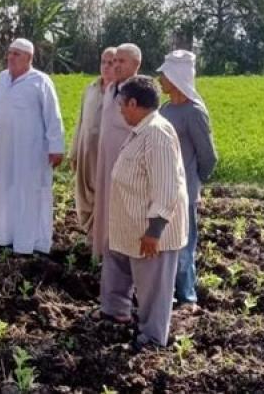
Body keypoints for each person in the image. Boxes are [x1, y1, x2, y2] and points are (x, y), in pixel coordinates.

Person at [105, 75, 189, 351]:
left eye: (121, 104)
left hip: (151, 233)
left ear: (133, 102)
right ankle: (119, 316)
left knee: (153, 291)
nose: (119, 109)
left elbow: (167, 187)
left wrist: (154, 231)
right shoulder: (142, 129)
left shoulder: (157, 133)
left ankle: (152, 340)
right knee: (126, 274)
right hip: (131, 225)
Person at [0, 38, 64, 255]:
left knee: (29, 194)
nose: (11, 57)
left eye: (17, 54)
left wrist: (56, 147)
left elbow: (53, 116)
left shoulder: (40, 81)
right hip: (5, 150)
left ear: (29, 58)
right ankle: (4, 234)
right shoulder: (2, 78)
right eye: (10, 53)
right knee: (4, 189)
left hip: (32, 152)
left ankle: (30, 243)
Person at [158, 50, 218, 310]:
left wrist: (194, 182)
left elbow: (208, 157)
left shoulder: (194, 112)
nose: (160, 80)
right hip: (162, 189)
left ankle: (187, 297)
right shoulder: (165, 109)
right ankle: (165, 294)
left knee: (183, 247)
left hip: (184, 192)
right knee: (162, 245)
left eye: (164, 75)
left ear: (176, 77)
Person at [91, 43, 142, 257]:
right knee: (104, 206)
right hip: (106, 161)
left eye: (122, 61)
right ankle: (103, 253)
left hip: (127, 165)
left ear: (136, 64)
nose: (116, 65)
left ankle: (121, 257)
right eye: (114, 61)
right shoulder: (112, 89)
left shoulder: (140, 91)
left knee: (123, 210)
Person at [69, 47, 118, 239]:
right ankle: (91, 235)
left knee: (105, 197)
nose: (106, 67)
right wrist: (74, 152)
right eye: (103, 62)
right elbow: (81, 121)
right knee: (85, 197)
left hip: (107, 155)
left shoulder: (121, 93)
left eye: (112, 63)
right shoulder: (90, 89)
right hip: (86, 153)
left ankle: (101, 241)